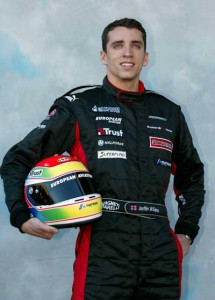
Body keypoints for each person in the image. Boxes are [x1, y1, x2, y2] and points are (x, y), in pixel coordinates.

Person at [0, 18, 205, 300]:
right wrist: (21, 216)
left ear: (146, 57)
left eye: (136, 45)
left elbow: (192, 175)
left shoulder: (168, 111)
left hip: (160, 252)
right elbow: (17, 159)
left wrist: (186, 232)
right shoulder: (79, 107)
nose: (127, 52)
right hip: (103, 246)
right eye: (118, 45)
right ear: (104, 55)